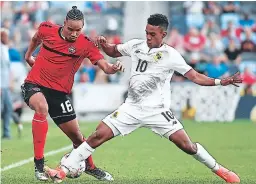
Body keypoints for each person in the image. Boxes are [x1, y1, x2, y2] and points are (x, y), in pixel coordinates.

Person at [45, 14, 242, 183]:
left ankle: (220, 170)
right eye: (146, 32)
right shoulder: (136, 46)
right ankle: (61, 171)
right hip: (131, 108)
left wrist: (220, 82)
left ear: (163, 35)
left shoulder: (171, 55)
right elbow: (114, 51)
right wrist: (105, 45)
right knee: (97, 136)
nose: (147, 37)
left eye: (152, 34)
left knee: (187, 146)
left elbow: (195, 77)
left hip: (158, 111)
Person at [21, 6, 124, 181]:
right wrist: (29, 56)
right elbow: (35, 39)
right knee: (41, 108)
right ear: (64, 24)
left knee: (77, 138)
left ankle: (90, 167)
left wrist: (113, 68)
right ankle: (39, 165)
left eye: (78, 30)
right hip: (35, 84)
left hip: (60, 94)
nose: (74, 33)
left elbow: (104, 66)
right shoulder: (47, 29)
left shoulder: (85, 44)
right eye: (71, 29)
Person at [1, 28, 13, 139]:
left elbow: (9, 68)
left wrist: (11, 82)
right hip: (1, 85)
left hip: (6, 85)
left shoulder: (5, 49)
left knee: (8, 108)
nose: (7, 39)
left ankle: (6, 132)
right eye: (5, 36)